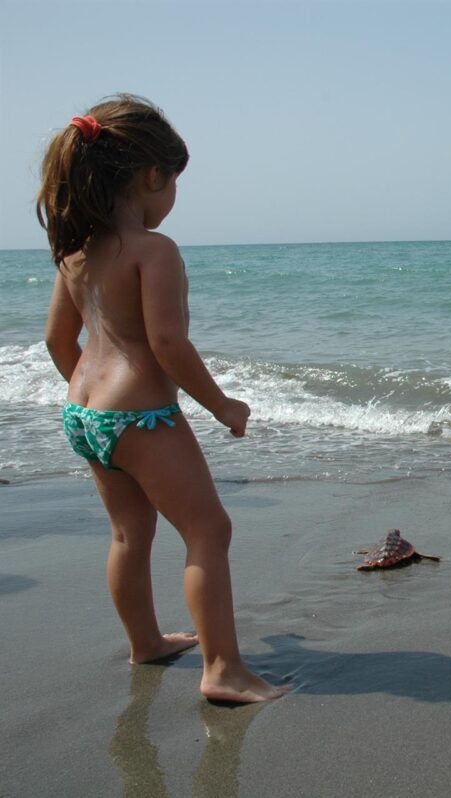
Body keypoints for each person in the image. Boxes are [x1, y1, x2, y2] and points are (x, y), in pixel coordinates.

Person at [38, 95, 286, 703]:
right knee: (209, 531)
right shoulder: (155, 250)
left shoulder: (76, 251)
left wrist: (93, 402)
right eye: (174, 182)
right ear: (153, 176)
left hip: (84, 413)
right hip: (141, 418)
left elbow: (56, 339)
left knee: (129, 532)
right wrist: (222, 405)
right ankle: (223, 669)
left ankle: (145, 643)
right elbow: (168, 342)